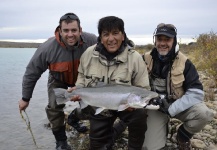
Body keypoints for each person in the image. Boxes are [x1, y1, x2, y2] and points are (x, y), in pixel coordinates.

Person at [18, 12, 97, 150]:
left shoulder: (92, 41)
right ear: (59, 31)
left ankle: (74, 118)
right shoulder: (46, 48)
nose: (70, 34)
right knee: (54, 108)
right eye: (66, 30)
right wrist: (26, 98)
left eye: (74, 30)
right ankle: (61, 142)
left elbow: (110, 49)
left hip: (83, 80)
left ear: (80, 30)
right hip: (58, 80)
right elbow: (31, 73)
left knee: (92, 107)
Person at [73, 16, 150, 150]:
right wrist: (78, 89)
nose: (111, 39)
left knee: (140, 114)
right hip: (100, 107)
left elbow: (143, 88)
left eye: (115, 33)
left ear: (123, 35)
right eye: (106, 34)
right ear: (100, 38)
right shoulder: (89, 54)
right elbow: (81, 75)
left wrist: (132, 105)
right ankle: (108, 133)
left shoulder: (135, 58)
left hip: (126, 106)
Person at [142, 23, 214, 150]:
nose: (162, 43)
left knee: (205, 114)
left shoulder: (185, 62)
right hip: (154, 108)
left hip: (178, 106)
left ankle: (182, 136)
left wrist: (171, 109)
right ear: (155, 40)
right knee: (150, 147)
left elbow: (196, 93)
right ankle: (162, 127)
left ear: (174, 41)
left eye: (167, 39)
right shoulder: (145, 59)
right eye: (159, 39)